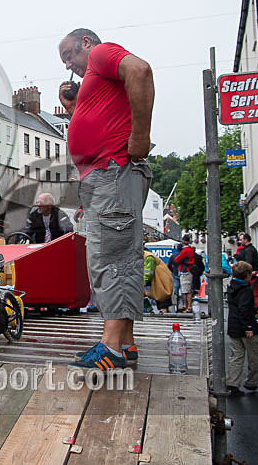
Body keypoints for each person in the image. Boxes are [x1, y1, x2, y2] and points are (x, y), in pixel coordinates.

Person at [58, 28, 154, 371]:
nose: (69, 64)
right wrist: (74, 110)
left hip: (113, 171)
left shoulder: (101, 54)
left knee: (109, 255)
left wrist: (140, 137)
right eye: (63, 61)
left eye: (69, 54)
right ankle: (125, 344)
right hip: (106, 175)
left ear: (86, 42)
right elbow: (98, 123)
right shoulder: (94, 85)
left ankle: (110, 344)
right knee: (119, 252)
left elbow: (140, 71)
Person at [226, 261, 258, 396]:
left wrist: (255, 309)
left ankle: (232, 383)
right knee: (254, 356)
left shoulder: (231, 287)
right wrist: (248, 326)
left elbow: (238, 306)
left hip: (233, 326)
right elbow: (244, 308)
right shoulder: (246, 289)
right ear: (247, 275)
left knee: (236, 356)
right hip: (246, 327)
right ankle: (252, 382)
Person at [234, 233, 258, 314]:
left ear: (246, 240)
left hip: (252, 275)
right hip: (251, 275)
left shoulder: (249, 250)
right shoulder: (248, 249)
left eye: (241, 239)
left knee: (254, 293)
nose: (240, 241)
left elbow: (248, 263)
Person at [174, 234, 195, 313]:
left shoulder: (186, 250)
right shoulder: (190, 249)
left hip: (185, 271)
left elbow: (177, 259)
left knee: (186, 290)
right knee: (186, 289)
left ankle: (187, 306)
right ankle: (186, 306)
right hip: (187, 270)